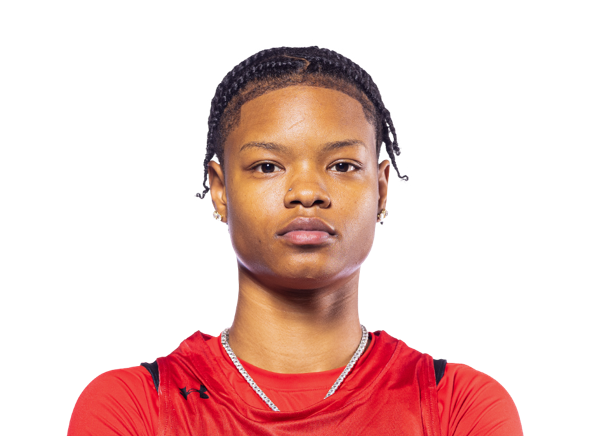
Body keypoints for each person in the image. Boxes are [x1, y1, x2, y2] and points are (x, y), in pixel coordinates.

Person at [67, 45, 523, 435]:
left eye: (342, 165)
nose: (307, 192)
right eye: (267, 166)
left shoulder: (459, 406)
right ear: (221, 190)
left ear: (381, 190)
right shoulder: (133, 406)